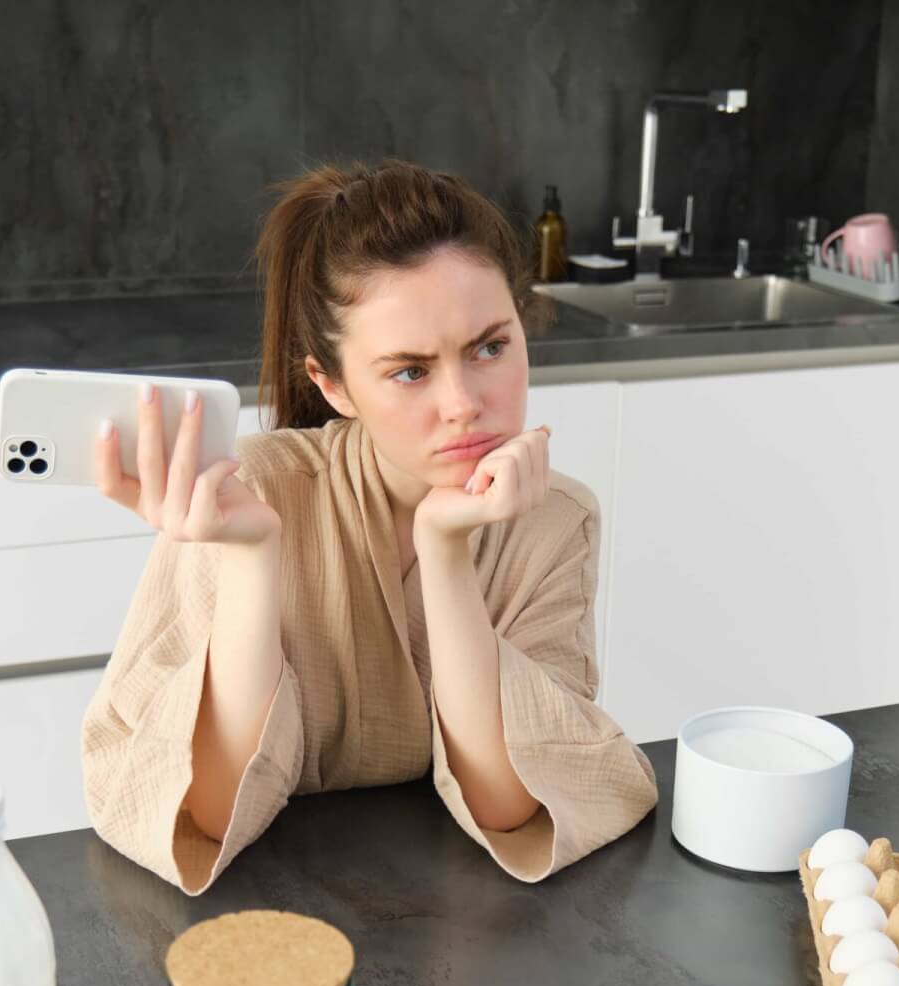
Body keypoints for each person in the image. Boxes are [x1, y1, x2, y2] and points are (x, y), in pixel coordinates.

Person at [81, 158, 658, 895]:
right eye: (410, 372)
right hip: (271, 912)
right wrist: (254, 559)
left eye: (490, 347)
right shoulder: (247, 496)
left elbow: (513, 805)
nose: (464, 404)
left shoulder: (554, 519)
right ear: (332, 385)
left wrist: (445, 551)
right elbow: (208, 811)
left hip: (459, 923)